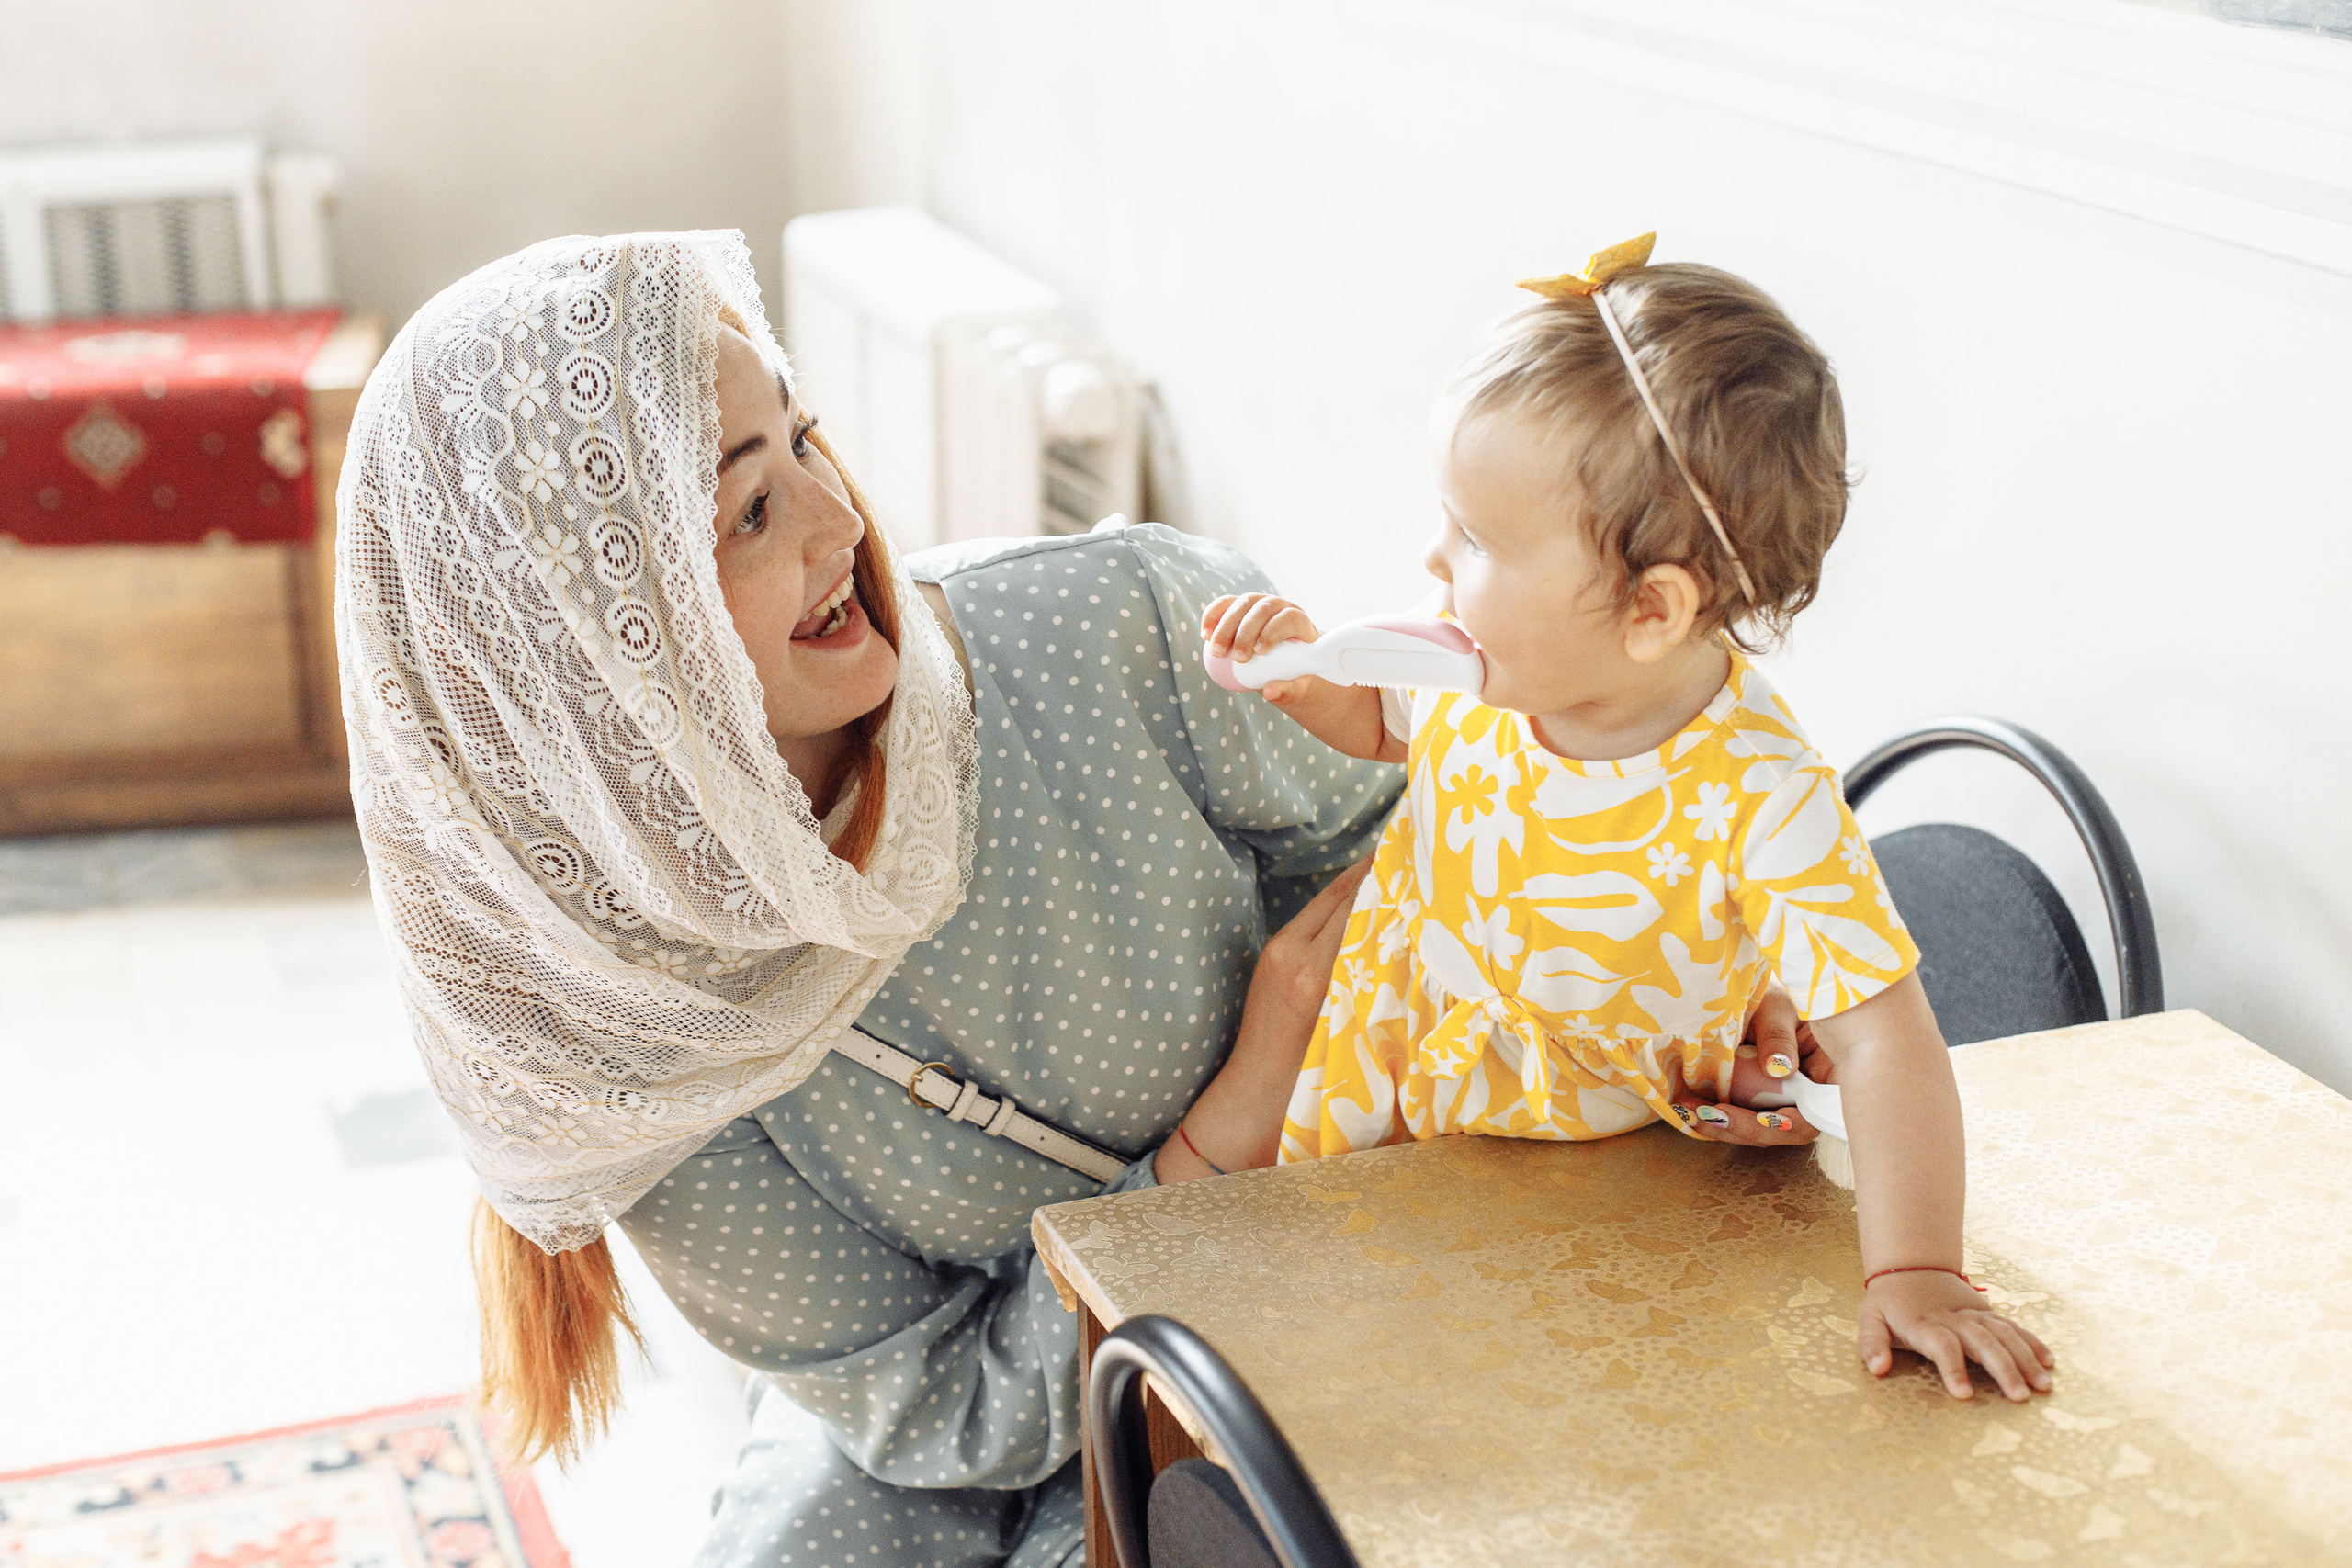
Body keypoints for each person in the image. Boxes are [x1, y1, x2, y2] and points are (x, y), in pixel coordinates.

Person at [338, 229, 1817, 1568]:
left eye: (803, 441)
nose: (835, 520)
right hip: (1002, 1409)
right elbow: (931, 1415)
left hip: (1365, 1250)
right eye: (742, 509)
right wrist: (1216, 1128)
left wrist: (1673, 1020)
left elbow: (1492, 853)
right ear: (593, 642)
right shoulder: (615, 1048)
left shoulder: (1116, 629)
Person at [1199, 235, 2058, 1404]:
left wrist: (1919, 1269)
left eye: (1479, 543)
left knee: (1541, 1403)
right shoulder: (1479, 667)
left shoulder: (1761, 795)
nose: (1432, 562)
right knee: (1352, 1376)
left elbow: (1883, 1038)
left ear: (1652, 609)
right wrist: (1305, 682)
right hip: (1397, 1082)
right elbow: (1378, 719)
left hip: (1605, 1173)